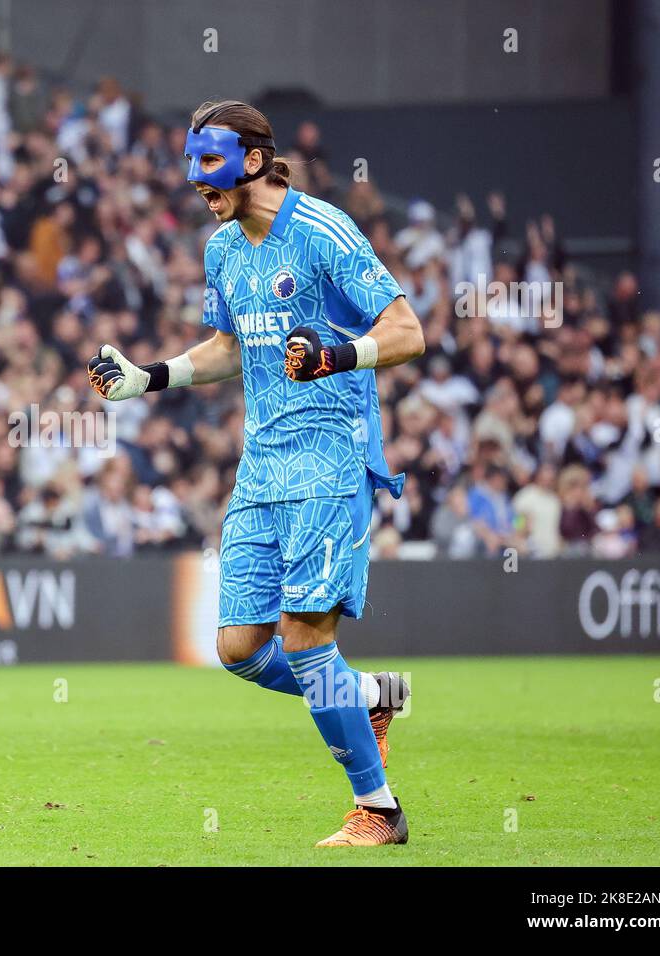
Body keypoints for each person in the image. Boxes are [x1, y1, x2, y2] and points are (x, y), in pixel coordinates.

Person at [87, 100, 425, 847]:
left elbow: (407, 331)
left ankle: (381, 811)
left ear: (250, 160)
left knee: (306, 639)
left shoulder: (324, 230)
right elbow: (229, 348)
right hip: (263, 464)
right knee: (239, 649)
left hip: (329, 457)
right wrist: (149, 378)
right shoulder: (222, 250)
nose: (195, 181)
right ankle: (369, 696)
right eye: (190, 165)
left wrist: (338, 356)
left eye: (207, 163)